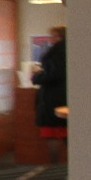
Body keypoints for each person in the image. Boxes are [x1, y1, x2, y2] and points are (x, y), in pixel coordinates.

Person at [32, 25, 67, 162]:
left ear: (60, 37)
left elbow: (54, 74)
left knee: (52, 133)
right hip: (61, 96)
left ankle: (55, 165)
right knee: (63, 132)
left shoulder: (58, 52)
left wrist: (37, 77)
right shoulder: (68, 50)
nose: (50, 39)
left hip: (52, 98)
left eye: (53, 36)